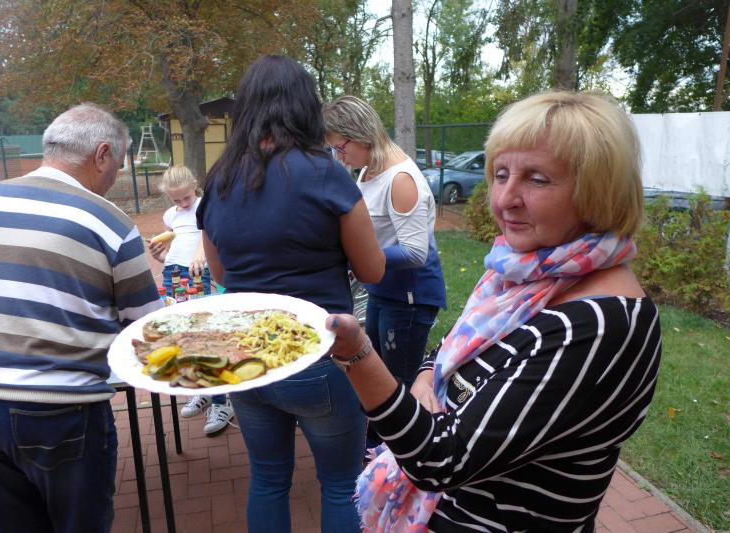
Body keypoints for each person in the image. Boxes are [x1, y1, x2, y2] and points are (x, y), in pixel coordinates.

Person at [324, 91, 662, 532]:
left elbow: (441, 459)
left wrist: (357, 356)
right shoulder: (522, 274)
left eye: (536, 179)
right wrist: (425, 377)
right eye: (500, 174)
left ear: (599, 191)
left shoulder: (601, 325)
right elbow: (452, 347)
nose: (504, 199)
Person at [0, 103, 162, 533]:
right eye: (118, 165)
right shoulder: (110, 221)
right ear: (101, 154)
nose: (115, 177)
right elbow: (146, 330)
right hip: (57, 407)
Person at [197, 55, 385, 533]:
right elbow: (373, 269)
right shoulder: (325, 173)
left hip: (246, 357)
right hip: (318, 354)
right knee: (341, 484)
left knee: (267, 478)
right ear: (306, 107)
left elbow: (220, 271)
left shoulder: (219, 179)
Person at [323, 95, 446, 447]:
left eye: (340, 147)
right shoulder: (368, 170)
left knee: (396, 385)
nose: (338, 156)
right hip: (383, 291)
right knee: (373, 374)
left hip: (410, 299)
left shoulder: (401, 180)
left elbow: (415, 252)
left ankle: (397, 457)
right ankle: (375, 445)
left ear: (360, 135)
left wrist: (358, 258)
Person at [147, 164, 234, 435]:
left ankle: (222, 401)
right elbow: (177, 246)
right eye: (176, 199)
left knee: (208, 338)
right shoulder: (170, 215)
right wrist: (162, 257)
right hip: (176, 276)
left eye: (186, 197)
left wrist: (201, 253)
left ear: (195, 185)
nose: (183, 204)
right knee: (186, 338)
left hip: (202, 276)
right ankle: (202, 389)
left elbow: (211, 236)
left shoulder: (205, 206)